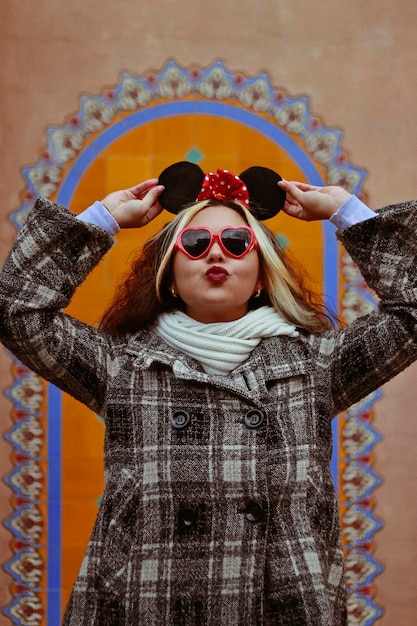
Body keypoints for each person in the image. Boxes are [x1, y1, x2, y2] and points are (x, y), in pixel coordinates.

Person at [0, 161, 416, 626]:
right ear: (171, 278)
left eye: (236, 244)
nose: (216, 255)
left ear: (261, 274)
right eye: (196, 245)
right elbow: (18, 310)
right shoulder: (124, 367)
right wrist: (101, 218)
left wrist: (348, 211)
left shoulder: (316, 365)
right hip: (142, 608)